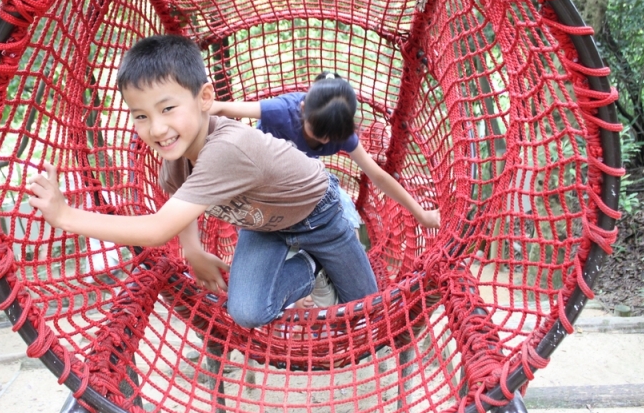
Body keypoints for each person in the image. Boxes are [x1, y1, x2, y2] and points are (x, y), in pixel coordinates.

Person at [27, 35, 377, 329]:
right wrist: (193, 250)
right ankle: (312, 267)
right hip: (263, 224)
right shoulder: (175, 158)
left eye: (168, 109)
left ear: (205, 98)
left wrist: (65, 216)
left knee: (366, 311)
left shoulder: (227, 149)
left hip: (318, 214)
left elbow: (156, 229)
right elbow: (177, 196)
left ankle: (324, 251)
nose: (157, 128)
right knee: (247, 313)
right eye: (141, 116)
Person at [211, 71, 440, 234]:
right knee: (256, 224)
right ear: (302, 109)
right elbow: (222, 108)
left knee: (346, 217)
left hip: (297, 175)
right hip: (262, 167)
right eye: (316, 131)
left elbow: (378, 176)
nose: (322, 140)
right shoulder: (282, 110)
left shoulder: (342, 134)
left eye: (330, 137)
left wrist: (421, 214)